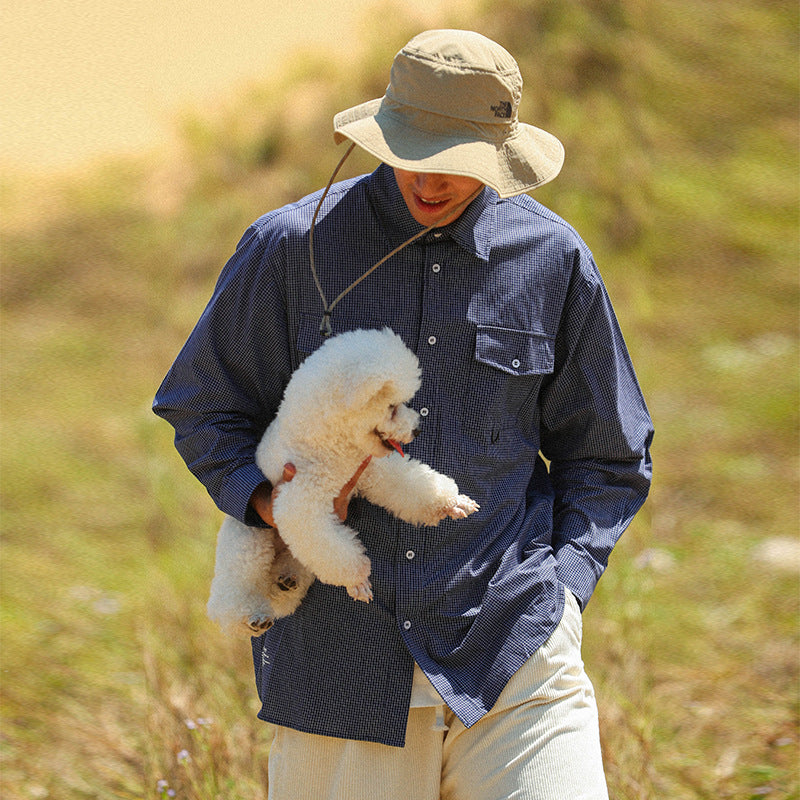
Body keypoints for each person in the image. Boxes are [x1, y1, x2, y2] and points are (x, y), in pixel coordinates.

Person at [154, 29, 653, 800]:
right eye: (412, 149)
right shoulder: (290, 248)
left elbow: (607, 453)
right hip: (339, 663)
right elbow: (202, 405)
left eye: (456, 159)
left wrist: (565, 591)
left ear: (498, 151)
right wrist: (269, 502)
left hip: (514, 645)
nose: (430, 177)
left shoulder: (553, 261)